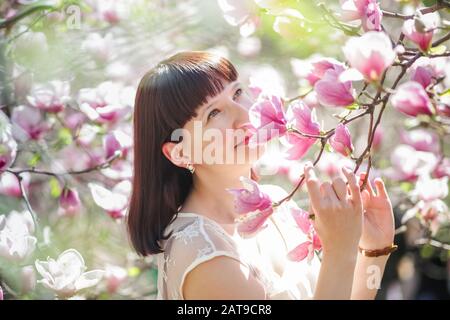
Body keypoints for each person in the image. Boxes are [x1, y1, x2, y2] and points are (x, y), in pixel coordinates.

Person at [127, 51, 396, 300]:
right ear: (180, 153)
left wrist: (374, 249)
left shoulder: (277, 206)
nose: (244, 115)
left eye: (237, 93)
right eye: (214, 113)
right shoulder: (205, 256)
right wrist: (339, 249)